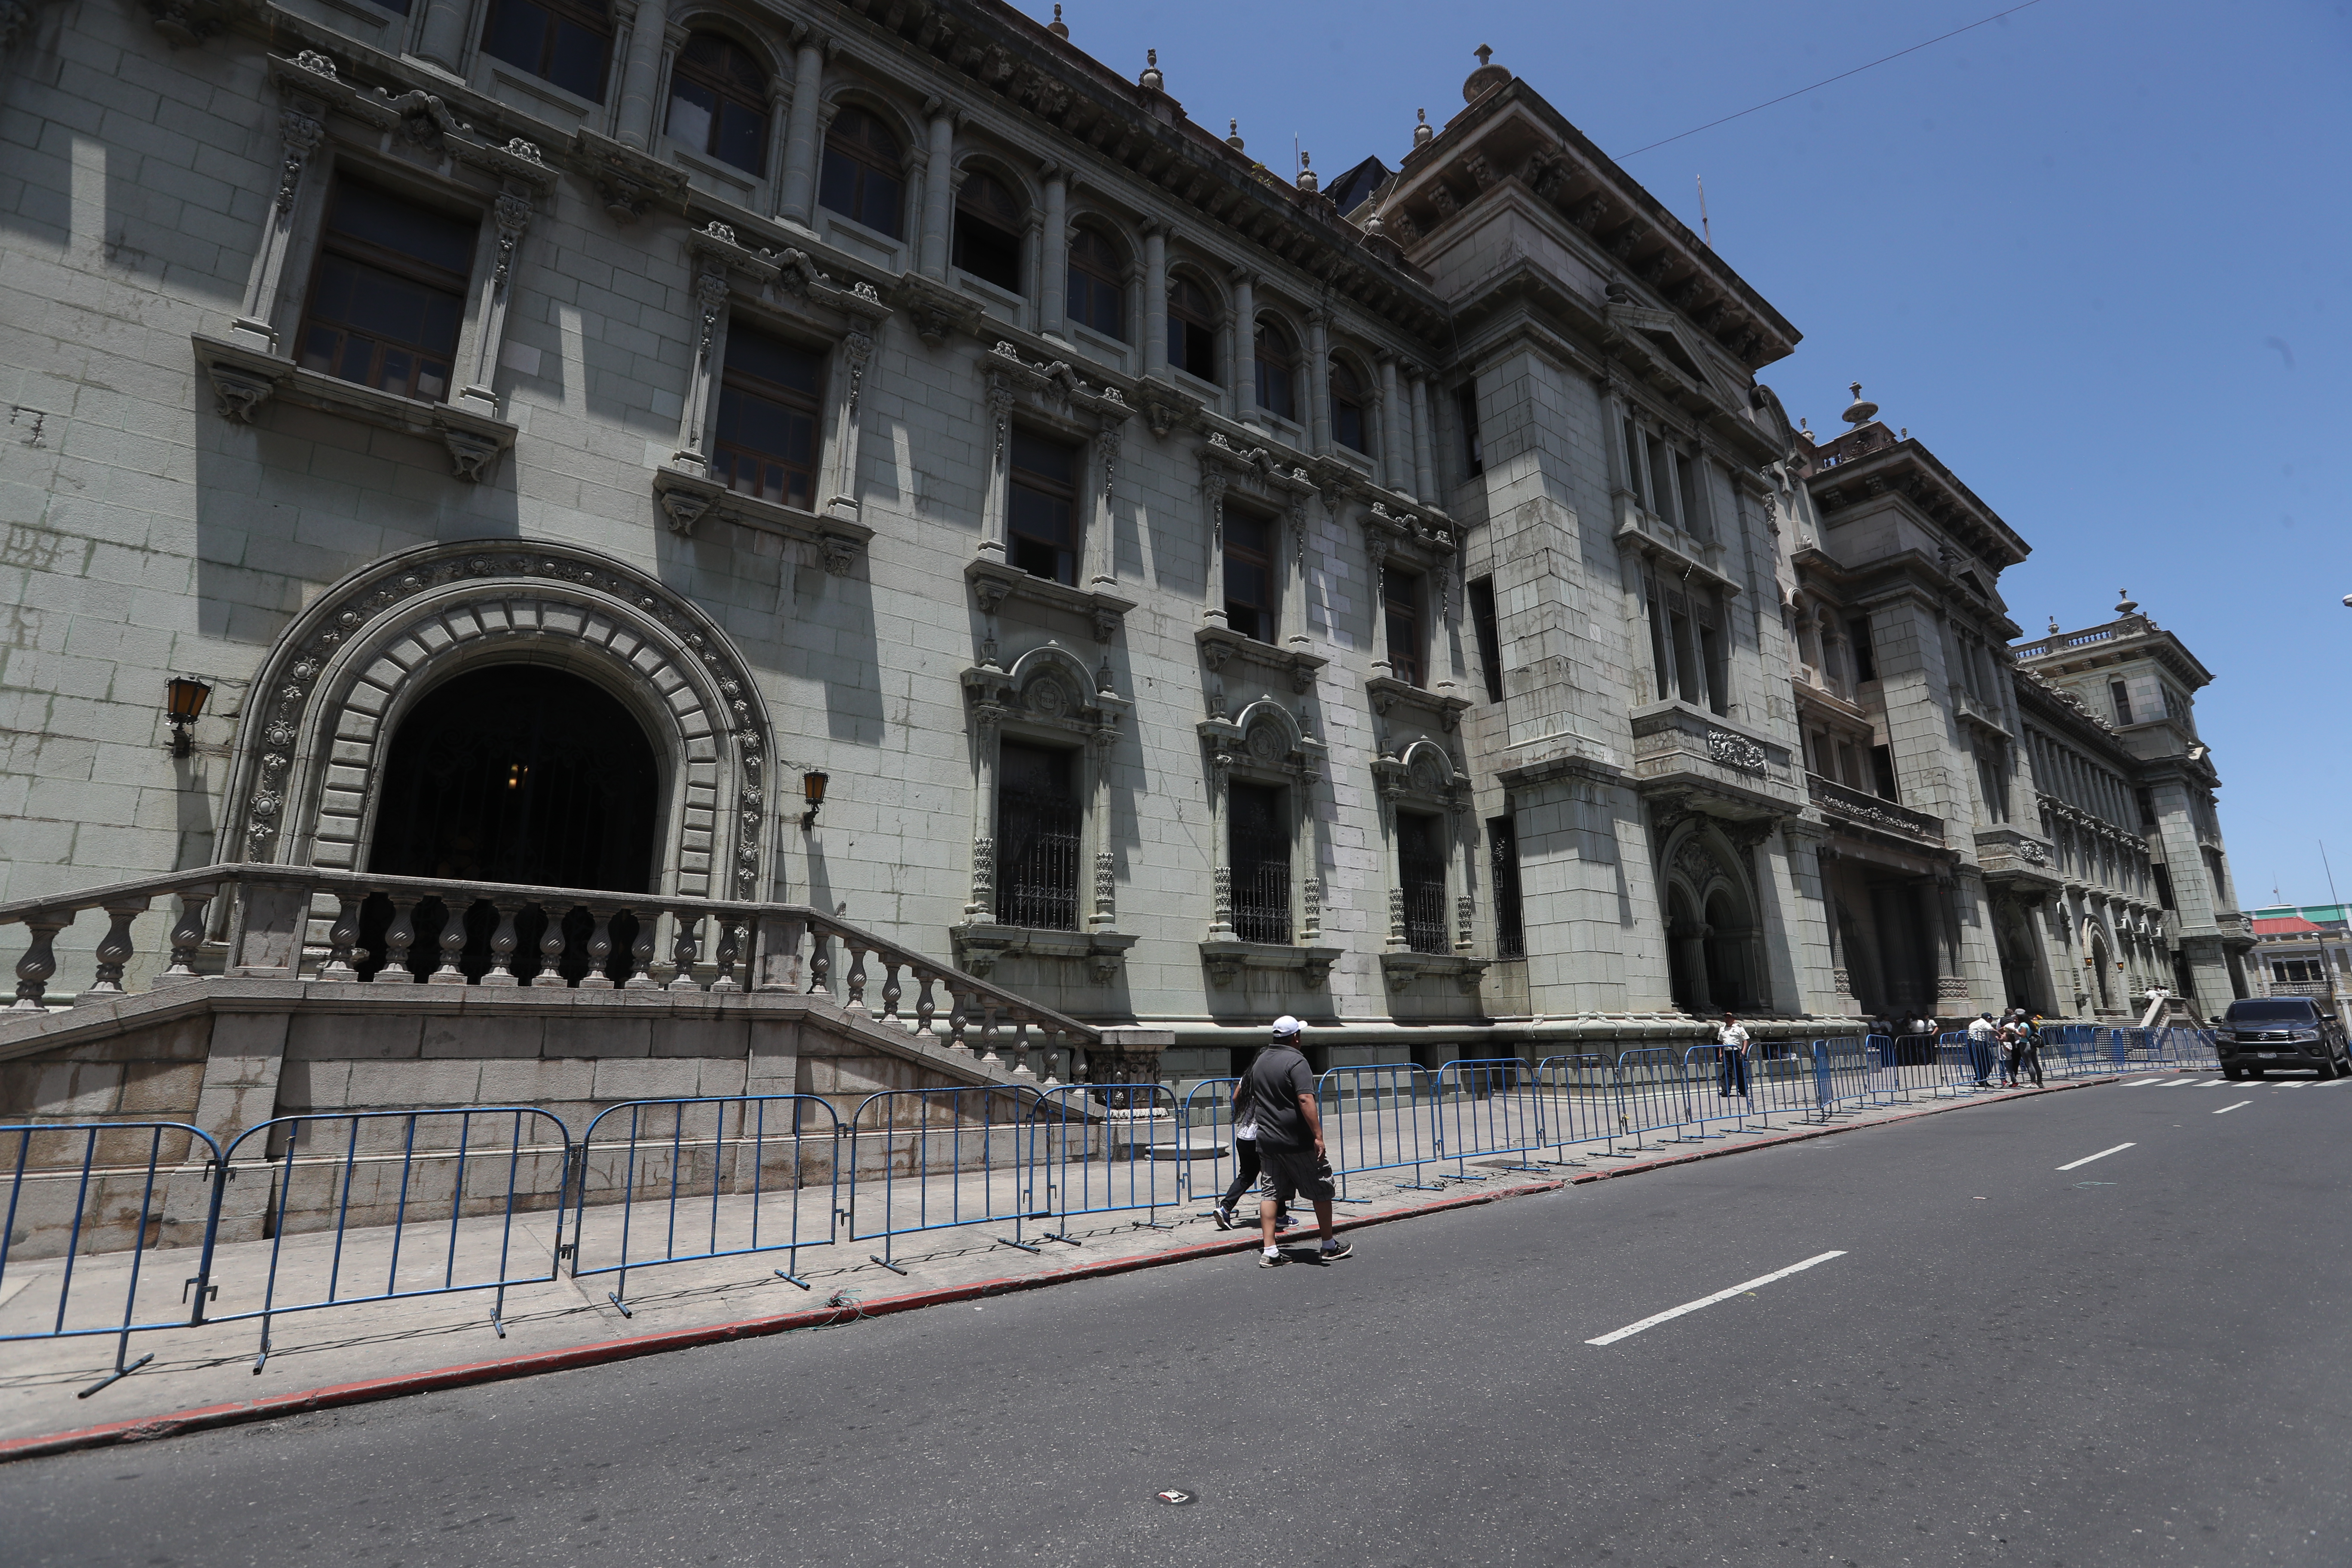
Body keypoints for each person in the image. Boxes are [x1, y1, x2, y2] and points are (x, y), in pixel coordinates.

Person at [1234, 1015, 1351, 1267]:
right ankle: (1329, 1245)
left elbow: (1242, 1095)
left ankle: (1270, 1251)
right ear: (1296, 1037)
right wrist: (1318, 1136)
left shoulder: (1260, 1060)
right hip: (1295, 1140)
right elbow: (1305, 1099)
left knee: (1270, 1193)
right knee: (1321, 1187)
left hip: (1266, 1140)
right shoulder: (1297, 1061)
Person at [1211, 1054, 1290, 1232]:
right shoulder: (1267, 1077)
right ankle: (1280, 1216)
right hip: (1261, 1136)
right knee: (1276, 1174)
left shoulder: (1247, 1078)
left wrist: (1249, 1107)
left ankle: (1225, 1208)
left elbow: (1235, 1098)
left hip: (1244, 1136)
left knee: (1247, 1175)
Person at [1716, 1011, 1751, 1097]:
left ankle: (1743, 1091)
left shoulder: (1739, 1028)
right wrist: (1720, 1053)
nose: (1727, 1019)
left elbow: (1746, 1040)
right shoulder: (1722, 1029)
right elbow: (1721, 1042)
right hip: (1727, 1053)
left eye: (1729, 1018)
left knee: (1739, 1071)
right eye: (1726, 1017)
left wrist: (1743, 1052)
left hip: (1737, 1052)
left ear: (1734, 1019)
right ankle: (1726, 1090)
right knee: (1727, 1071)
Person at [1966, 1011, 1999, 1087]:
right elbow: (1991, 1029)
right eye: (1991, 1019)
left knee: (1976, 1062)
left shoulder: (1974, 1023)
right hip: (1980, 1043)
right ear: (1988, 1019)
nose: (1992, 1021)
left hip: (1970, 1042)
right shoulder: (1985, 1023)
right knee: (1988, 1062)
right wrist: (2000, 1035)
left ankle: (1981, 1079)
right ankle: (1981, 1078)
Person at [2013, 1009, 2043, 1087]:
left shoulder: (2023, 1025)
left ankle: (2033, 1083)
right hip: (2032, 1045)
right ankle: (2040, 1082)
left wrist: (2015, 1031)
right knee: (2036, 1064)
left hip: (2025, 1045)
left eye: (2016, 1018)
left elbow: (2023, 1035)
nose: (2015, 1019)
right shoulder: (2030, 1024)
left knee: (2030, 1064)